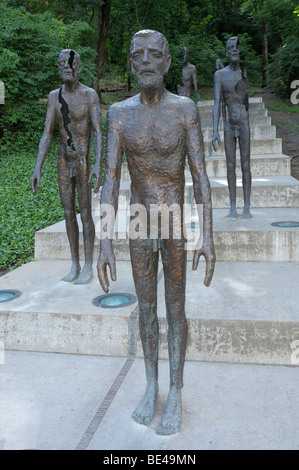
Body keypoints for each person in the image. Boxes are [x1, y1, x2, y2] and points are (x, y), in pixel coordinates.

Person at [97, 30, 215, 435]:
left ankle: (176, 389)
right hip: (137, 219)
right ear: (131, 63)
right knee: (146, 308)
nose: (146, 61)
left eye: (154, 55)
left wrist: (208, 235)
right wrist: (103, 241)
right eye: (137, 55)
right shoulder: (118, 113)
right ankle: (151, 384)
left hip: (173, 218)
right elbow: (110, 180)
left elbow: (200, 176)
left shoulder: (184, 110)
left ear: (166, 62)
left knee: (176, 308)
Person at [31, 49, 103, 284]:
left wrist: (97, 165)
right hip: (64, 162)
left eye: (70, 63)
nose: (66, 67)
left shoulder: (90, 95)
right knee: (68, 214)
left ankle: (89, 264)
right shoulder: (54, 97)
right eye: (62, 63)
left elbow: (99, 132)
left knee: (85, 215)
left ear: (79, 67)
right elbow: (47, 133)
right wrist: (37, 168)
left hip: (82, 162)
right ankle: (75, 263)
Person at [212, 36, 252, 218]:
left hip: (243, 122)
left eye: (237, 47)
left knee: (245, 165)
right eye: (231, 48)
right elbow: (216, 103)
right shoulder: (220, 75)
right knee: (230, 166)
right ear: (227, 52)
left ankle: (247, 207)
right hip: (229, 125)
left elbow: (246, 103)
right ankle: (233, 206)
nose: (234, 50)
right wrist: (214, 130)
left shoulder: (242, 75)